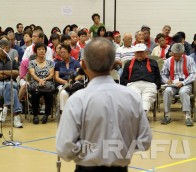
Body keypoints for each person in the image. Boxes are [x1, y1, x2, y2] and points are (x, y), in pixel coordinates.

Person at [56, 38, 152, 172]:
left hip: (86, 168)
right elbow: (145, 140)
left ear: (83, 66)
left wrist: (92, 150)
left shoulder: (77, 100)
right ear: (113, 64)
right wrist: (120, 148)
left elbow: (65, 149)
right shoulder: (131, 97)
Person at [0, 39, 23, 128]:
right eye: (3, 48)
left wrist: (2, 72)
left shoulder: (12, 61)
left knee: (9, 85)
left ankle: (4, 108)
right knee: (12, 90)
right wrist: (9, 74)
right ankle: (16, 116)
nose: (5, 50)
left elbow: (17, 73)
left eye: (7, 48)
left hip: (11, 83)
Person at [161, 43, 196, 126]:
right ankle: (167, 116)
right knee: (167, 91)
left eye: (179, 56)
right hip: (172, 84)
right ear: (172, 53)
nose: (176, 57)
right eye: (175, 55)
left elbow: (193, 74)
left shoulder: (189, 60)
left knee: (183, 92)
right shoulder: (168, 61)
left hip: (185, 83)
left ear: (183, 53)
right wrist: (167, 81)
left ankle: (187, 117)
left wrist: (183, 82)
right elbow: (163, 74)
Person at [121, 43, 161, 115]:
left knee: (146, 99)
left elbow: (158, 77)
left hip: (149, 85)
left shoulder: (153, 62)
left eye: (141, 52)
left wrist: (156, 86)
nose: (139, 54)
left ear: (146, 52)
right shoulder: (128, 63)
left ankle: (141, 117)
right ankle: (140, 118)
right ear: (134, 53)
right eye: (137, 52)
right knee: (136, 98)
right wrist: (127, 87)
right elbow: (123, 78)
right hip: (133, 84)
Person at [28, 43, 55, 124]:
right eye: (39, 49)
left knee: (49, 91)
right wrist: (39, 80)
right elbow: (32, 74)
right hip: (36, 82)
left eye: (43, 49)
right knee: (35, 92)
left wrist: (44, 79)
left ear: (45, 51)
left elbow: (51, 74)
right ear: (36, 51)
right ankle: (35, 115)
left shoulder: (50, 62)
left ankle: (46, 115)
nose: (41, 51)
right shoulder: (32, 62)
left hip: (47, 81)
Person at [54, 44, 80, 112]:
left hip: (74, 83)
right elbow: (56, 78)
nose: (62, 54)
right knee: (63, 93)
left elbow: (79, 75)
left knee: (76, 91)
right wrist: (66, 83)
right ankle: (63, 113)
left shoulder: (76, 63)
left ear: (69, 53)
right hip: (62, 84)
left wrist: (72, 81)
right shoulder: (58, 64)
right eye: (61, 52)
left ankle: (75, 112)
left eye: (64, 52)